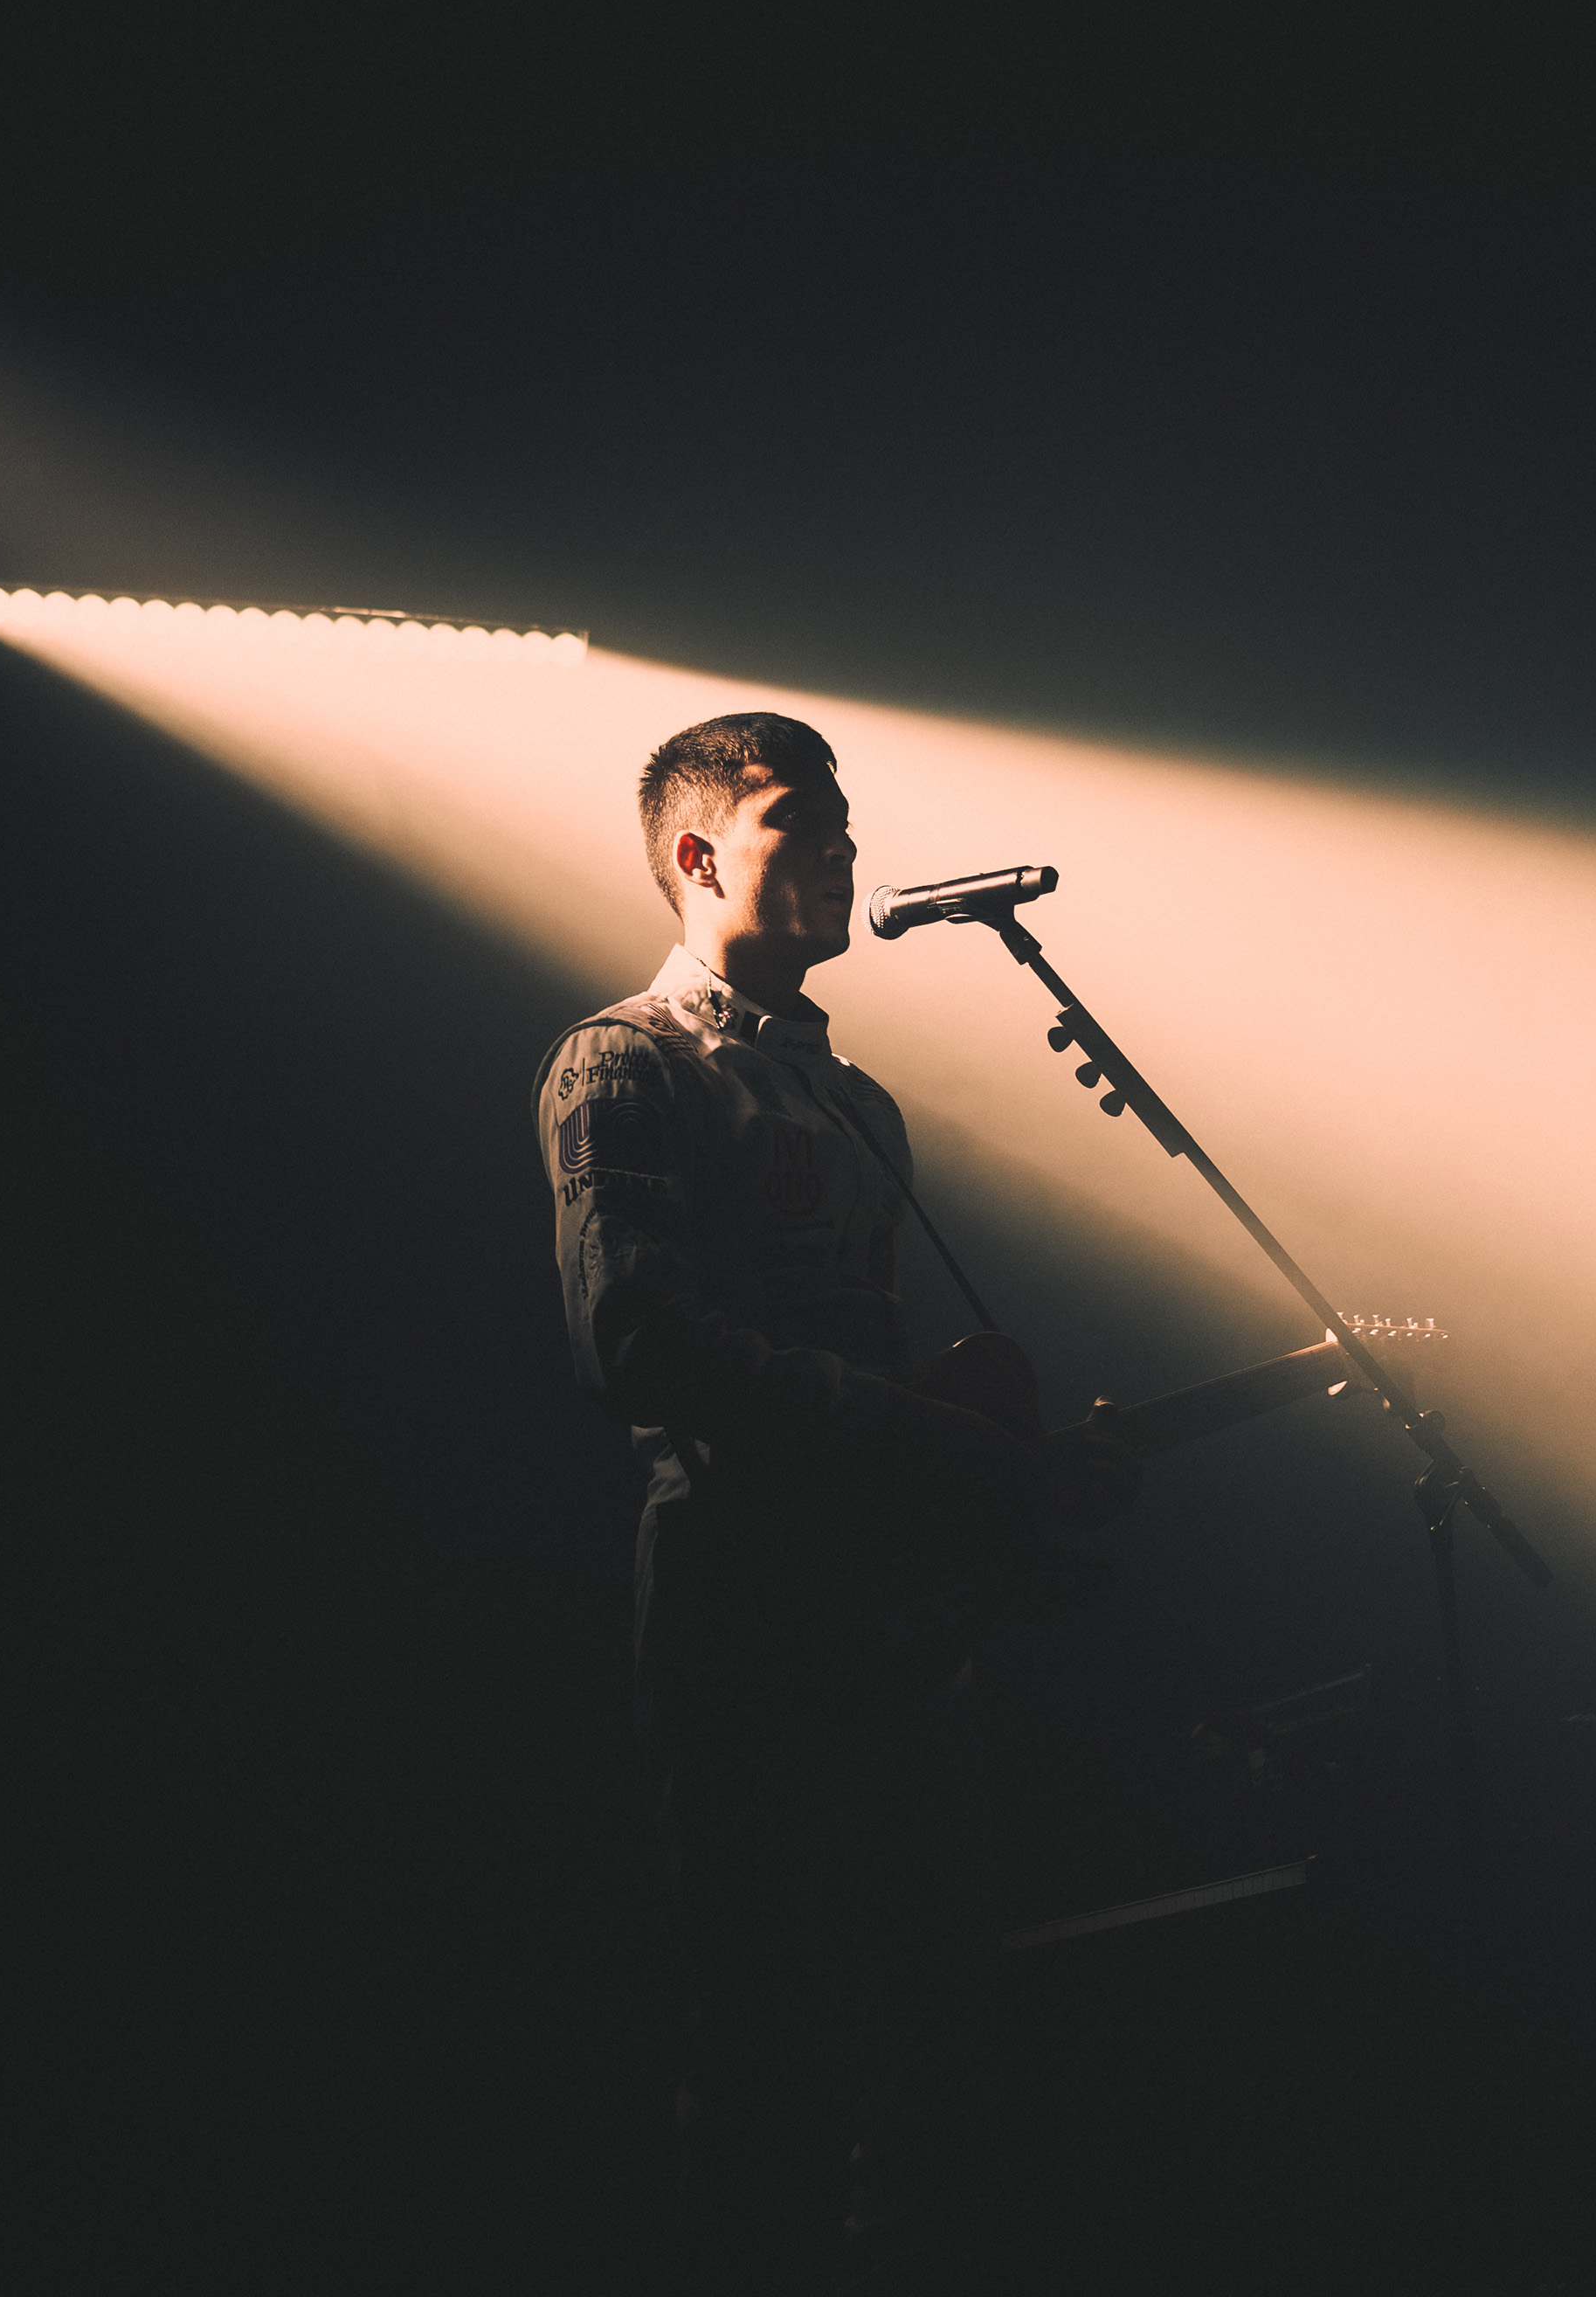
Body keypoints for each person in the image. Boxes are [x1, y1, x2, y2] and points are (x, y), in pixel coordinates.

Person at [535, 711, 1130, 2292]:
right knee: (766, 2039)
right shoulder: (621, 1064)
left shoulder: (862, 1106)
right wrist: (945, 1448)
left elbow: (882, 1372)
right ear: (696, 852)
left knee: (929, 2031)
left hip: (884, 1620)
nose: (850, 846)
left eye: (850, 818)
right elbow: (640, 1345)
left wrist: (992, 1451)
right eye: (805, 818)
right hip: (739, 1598)